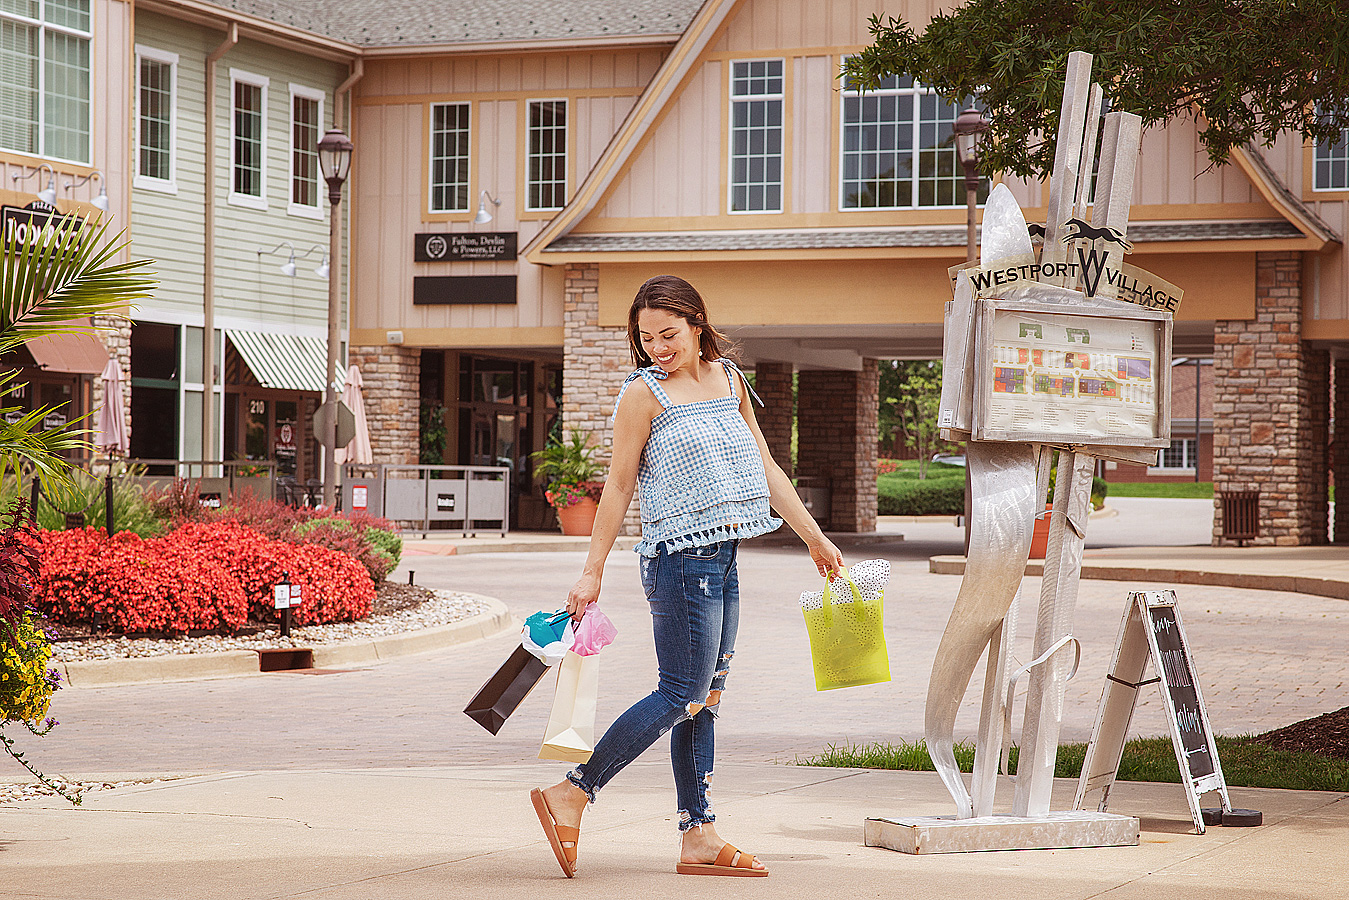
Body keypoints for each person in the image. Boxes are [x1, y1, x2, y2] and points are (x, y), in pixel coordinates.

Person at [530, 274, 844, 878]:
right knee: (682, 693)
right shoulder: (643, 395)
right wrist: (591, 571)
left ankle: (697, 833)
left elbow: (765, 466)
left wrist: (815, 537)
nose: (658, 347)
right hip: (677, 559)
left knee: (708, 698)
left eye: (668, 334)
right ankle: (573, 792)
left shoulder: (731, 382)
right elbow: (619, 486)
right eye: (646, 337)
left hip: (723, 558)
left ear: (698, 325)